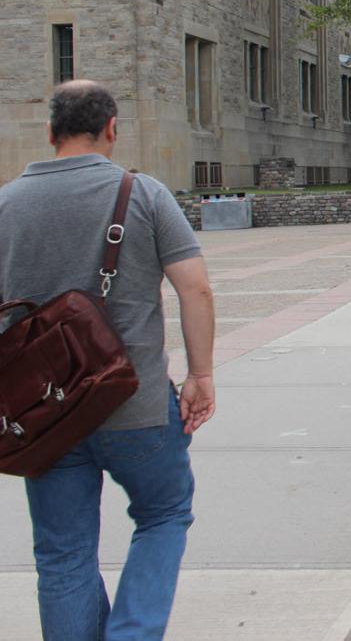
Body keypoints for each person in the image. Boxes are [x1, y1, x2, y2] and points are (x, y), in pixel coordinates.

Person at [0, 80, 216, 640]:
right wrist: (200, 375)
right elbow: (195, 289)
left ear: (49, 133)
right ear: (112, 129)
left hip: (43, 418)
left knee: (62, 554)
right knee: (164, 514)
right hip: (136, 404)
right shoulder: (143, 194)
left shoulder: (5, 205)